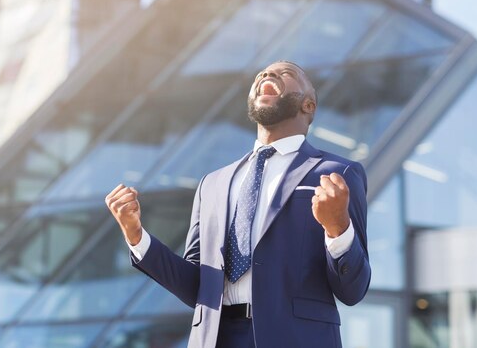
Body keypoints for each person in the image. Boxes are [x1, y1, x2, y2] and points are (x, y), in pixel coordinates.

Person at [105, 61, 370, 347]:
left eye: (286, 74)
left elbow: (353, 290)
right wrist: (136, 237)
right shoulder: (213, 184)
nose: (268, 75)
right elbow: (198, 285)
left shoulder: (337, 174)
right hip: (217, 338)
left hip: (296, 338)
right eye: (262, 74)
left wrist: (338, 229)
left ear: (309, 106)